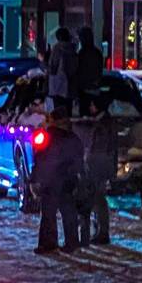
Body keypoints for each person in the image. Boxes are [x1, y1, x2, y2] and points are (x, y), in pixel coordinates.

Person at [33, 107, 85, 254]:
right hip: (67, 179)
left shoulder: (46, 136)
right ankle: (72, 242)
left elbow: (40, 158)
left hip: (50, 180)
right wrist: (76, 176)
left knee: (48, 214)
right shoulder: (73, 138)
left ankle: (48, 243)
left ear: (53, 121)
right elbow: (79, 160)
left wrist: (35, 178)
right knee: (68, 212)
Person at [77, 96, 117, 246]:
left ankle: (102, 232)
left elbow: (100, 147)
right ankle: (100, 231)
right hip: (100, 166)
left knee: (98, 199)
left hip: (99, 167)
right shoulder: (103, 122)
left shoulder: (103, 124)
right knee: (97, 199)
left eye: (93, 105)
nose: (91, 108)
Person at [47, 27, 78, 114]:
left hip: (58, 87)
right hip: (70, 88)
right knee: (68, 113)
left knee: (58, 114)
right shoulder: (73, 50)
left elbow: (52, 69)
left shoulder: (57, 49)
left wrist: (43, 63)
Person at [76, 26, 103, 115]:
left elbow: (78, 71)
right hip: (95, 88)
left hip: (84, 89)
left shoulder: (82, 53)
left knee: (84, 116)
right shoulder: (97, 53)